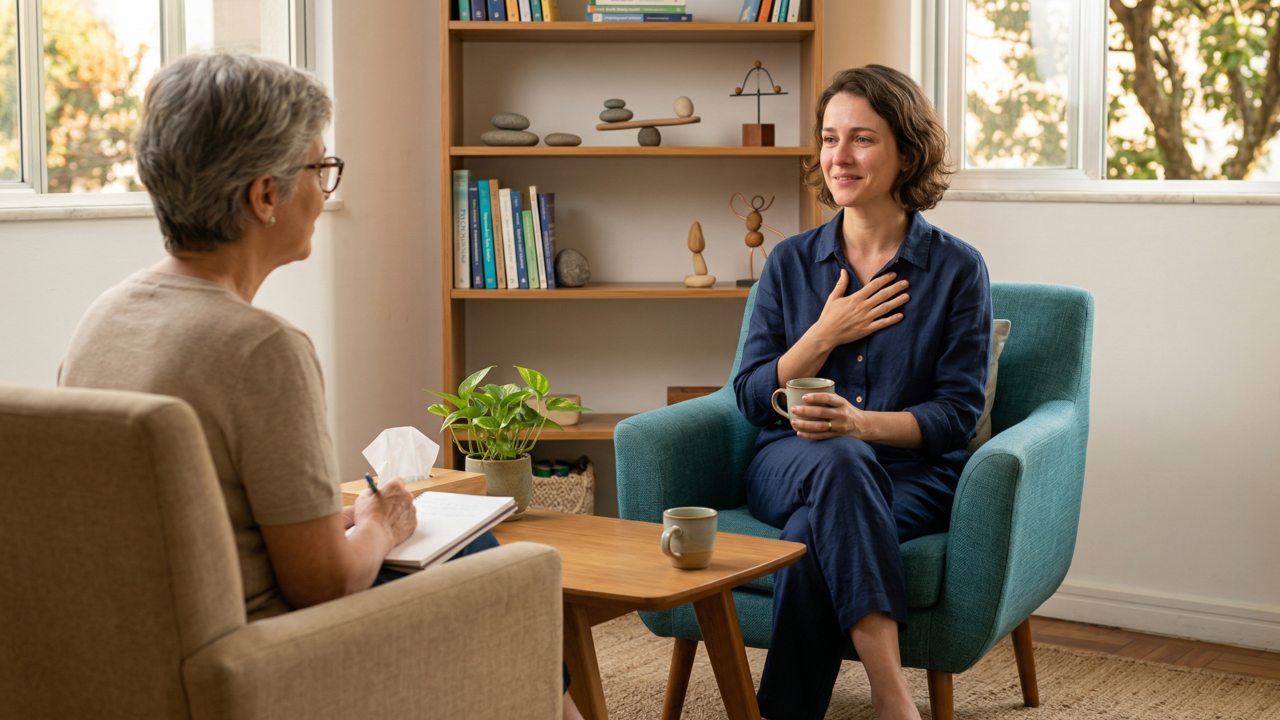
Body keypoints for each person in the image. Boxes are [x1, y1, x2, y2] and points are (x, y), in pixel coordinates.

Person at [58, 53, 583, 720]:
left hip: (133, 659)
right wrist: (380, 525)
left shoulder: (101, 318)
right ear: (265, 195)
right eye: (319, 167)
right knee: (495, 561)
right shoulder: (261, 350)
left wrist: (337, 524)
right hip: (266, 661)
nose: (325, 189)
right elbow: (326, 583)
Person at [733, 65, 993, 720]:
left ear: (907, 151)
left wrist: (860, 424)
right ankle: (892, 694)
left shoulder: (957, 270)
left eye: (862, 139)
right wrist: (823, 334)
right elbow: (748, 395)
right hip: (786, 463)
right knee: (834, 468)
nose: (838, 158)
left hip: (914, 475)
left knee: (811, 532)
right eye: (829, 138)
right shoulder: (791, 261)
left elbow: (957, 417)